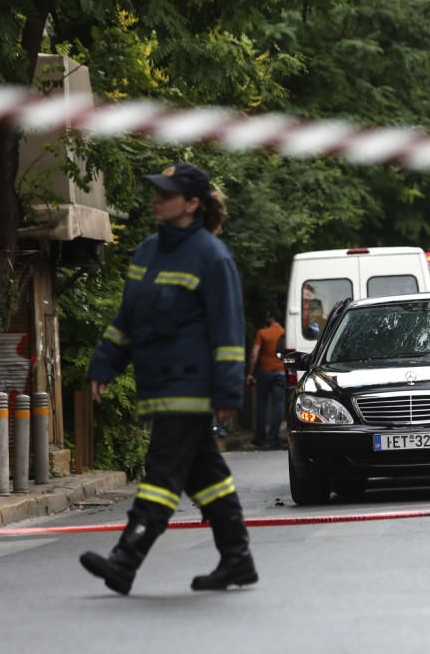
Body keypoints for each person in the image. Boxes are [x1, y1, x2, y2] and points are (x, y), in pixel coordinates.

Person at [80, 163, 258, 595]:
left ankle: (126, 559)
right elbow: (128, 319)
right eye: (156, 191)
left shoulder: (212, 257)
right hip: (157, 386)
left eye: (167, 193)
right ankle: (237, 559)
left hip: (191, 388)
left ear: (192, 204)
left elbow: (229, 332)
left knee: (161, 473)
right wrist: (105, 362)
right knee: (204, 475)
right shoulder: (146, 251)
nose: (156, 198)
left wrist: (227, 391)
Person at [247, 309, 286, 447]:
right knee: (278, 405)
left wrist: (250, 373)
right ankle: (273, 438)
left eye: (267, 316)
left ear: (272, 318)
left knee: (262, 405)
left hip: (264, 372)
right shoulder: (284, 333)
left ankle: (260, 438)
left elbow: (254, 354)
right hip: (281, 372)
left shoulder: (262, 333)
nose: (265, 318)